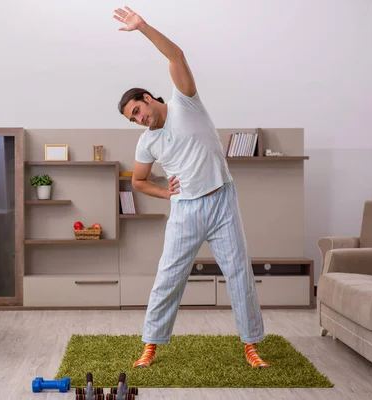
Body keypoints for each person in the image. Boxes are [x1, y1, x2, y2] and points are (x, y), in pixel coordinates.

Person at [113, 6, 269, 369]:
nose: (140, 119)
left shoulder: (185, 101)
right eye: (133, 119)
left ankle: (251, 345)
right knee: (169, 276)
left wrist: (142, 27)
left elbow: (176, 55)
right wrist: (166, 193)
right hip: (185, 210)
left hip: (222, 200)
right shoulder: (147, 143)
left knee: (238, 272)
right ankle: (151, 344)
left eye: (138, 110)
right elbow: (137, 181)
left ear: (149, 98)